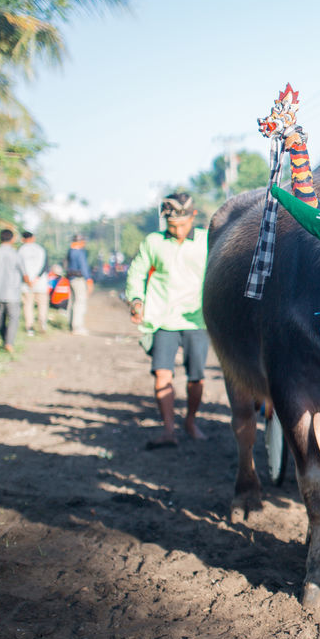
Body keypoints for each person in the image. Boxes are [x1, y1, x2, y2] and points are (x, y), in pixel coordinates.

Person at [124, 192, 211, 449]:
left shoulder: (208, 241)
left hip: (197, 320)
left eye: (182, 225)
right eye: (172, 226)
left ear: (193, 217)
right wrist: (136, 300)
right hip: (162, 318)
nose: (178, 230)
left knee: (196, 378)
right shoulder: (153, 242)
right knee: (162, 374)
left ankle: (191, 421)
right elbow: (137, 272)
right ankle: (168, 430)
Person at [0, 229, 24, 353]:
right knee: (13, 318)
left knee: (0, 319)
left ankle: (5, 341)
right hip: (13, 293)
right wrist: (28, 282)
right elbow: (24, 273)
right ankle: (9, 343)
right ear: (12, 239)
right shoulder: (16, 255)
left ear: (0, 239)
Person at [17, 230, 49, 335]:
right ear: (33, 238)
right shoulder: (40, 249)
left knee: (28, 305)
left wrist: (28, 280)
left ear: (23, 239)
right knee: (42, 304)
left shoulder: (20, 250)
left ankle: (30, 327)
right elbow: (45, 266)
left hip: (26, 284)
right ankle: (42, 323)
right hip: (40, 283)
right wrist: (37, 278)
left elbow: (19, 267)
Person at [65, 232, 92, 334]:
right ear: (80, 241)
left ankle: (71, 324)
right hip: (78, 279)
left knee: (73, 302)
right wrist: (88, 279)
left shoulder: (70, 251)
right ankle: (77, 326)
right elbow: (84, 267)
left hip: (71, 278)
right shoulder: (79, 252)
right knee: (80, 302)